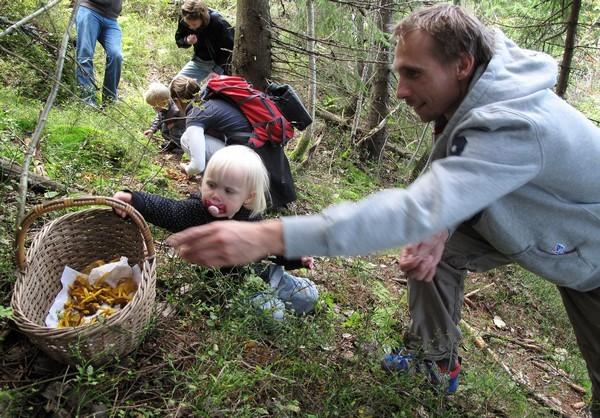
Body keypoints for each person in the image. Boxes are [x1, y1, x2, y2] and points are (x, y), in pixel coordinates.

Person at [164, 3, 600, 412]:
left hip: (590, 255)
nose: (402, 90)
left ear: (462, 64)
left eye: (413, 74)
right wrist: (441, 227)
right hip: (540, 229)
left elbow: (413, 209)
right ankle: (435, 359)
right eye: (398, 73)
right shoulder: (473, 89)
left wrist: (266, 235)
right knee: (434, 250)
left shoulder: (516, 122)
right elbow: (459, 168)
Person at [113, 145, 318, 318]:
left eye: (228, 191)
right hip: (234, 285)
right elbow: (168, 210)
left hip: (261, 271)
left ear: (248, 197)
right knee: (274, 314)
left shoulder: (252, 218)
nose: (215, 195)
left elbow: (271, 249)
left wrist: (296, 258)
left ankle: (290, 297)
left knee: (308, 296)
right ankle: (276, 309)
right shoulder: (197, 212)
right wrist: (134, 200)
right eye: (211, 185)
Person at [170, 75, 297, 209]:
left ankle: (217, 189)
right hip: (263, 157)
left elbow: (198, 165)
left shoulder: (196, 113)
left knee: (185, 139)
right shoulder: (212, 100)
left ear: (178, 100)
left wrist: (187, 169)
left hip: (253, 162)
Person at [75, 0, 123, 106]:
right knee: (85, 54)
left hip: (111, 18)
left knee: (116, 56)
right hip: (89, 10)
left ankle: (109, 101)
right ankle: (87, 101)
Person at [175, 0, 234, 84]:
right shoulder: (185, 18)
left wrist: (218, 71)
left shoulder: (218, 22)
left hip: (221, 64)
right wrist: (186, 41)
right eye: (188, 24)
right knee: (176, 85)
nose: (190, 27)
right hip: (200, 62)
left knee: (211, 92)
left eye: (194, 24)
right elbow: (179, 39)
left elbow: (230, 49)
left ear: (202, 18)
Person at [143, 82, 186, 153]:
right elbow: (159, 117)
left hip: (179, 127)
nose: (154, 108)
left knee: (177, 133)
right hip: (168, 124)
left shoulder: (176, 109)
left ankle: (181, 147)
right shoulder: (162, 108)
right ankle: (171, 142)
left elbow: (184, 118)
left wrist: (175, 123)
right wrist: (152, 129)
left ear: (164, 103)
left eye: (155, 106)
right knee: (164, 130)